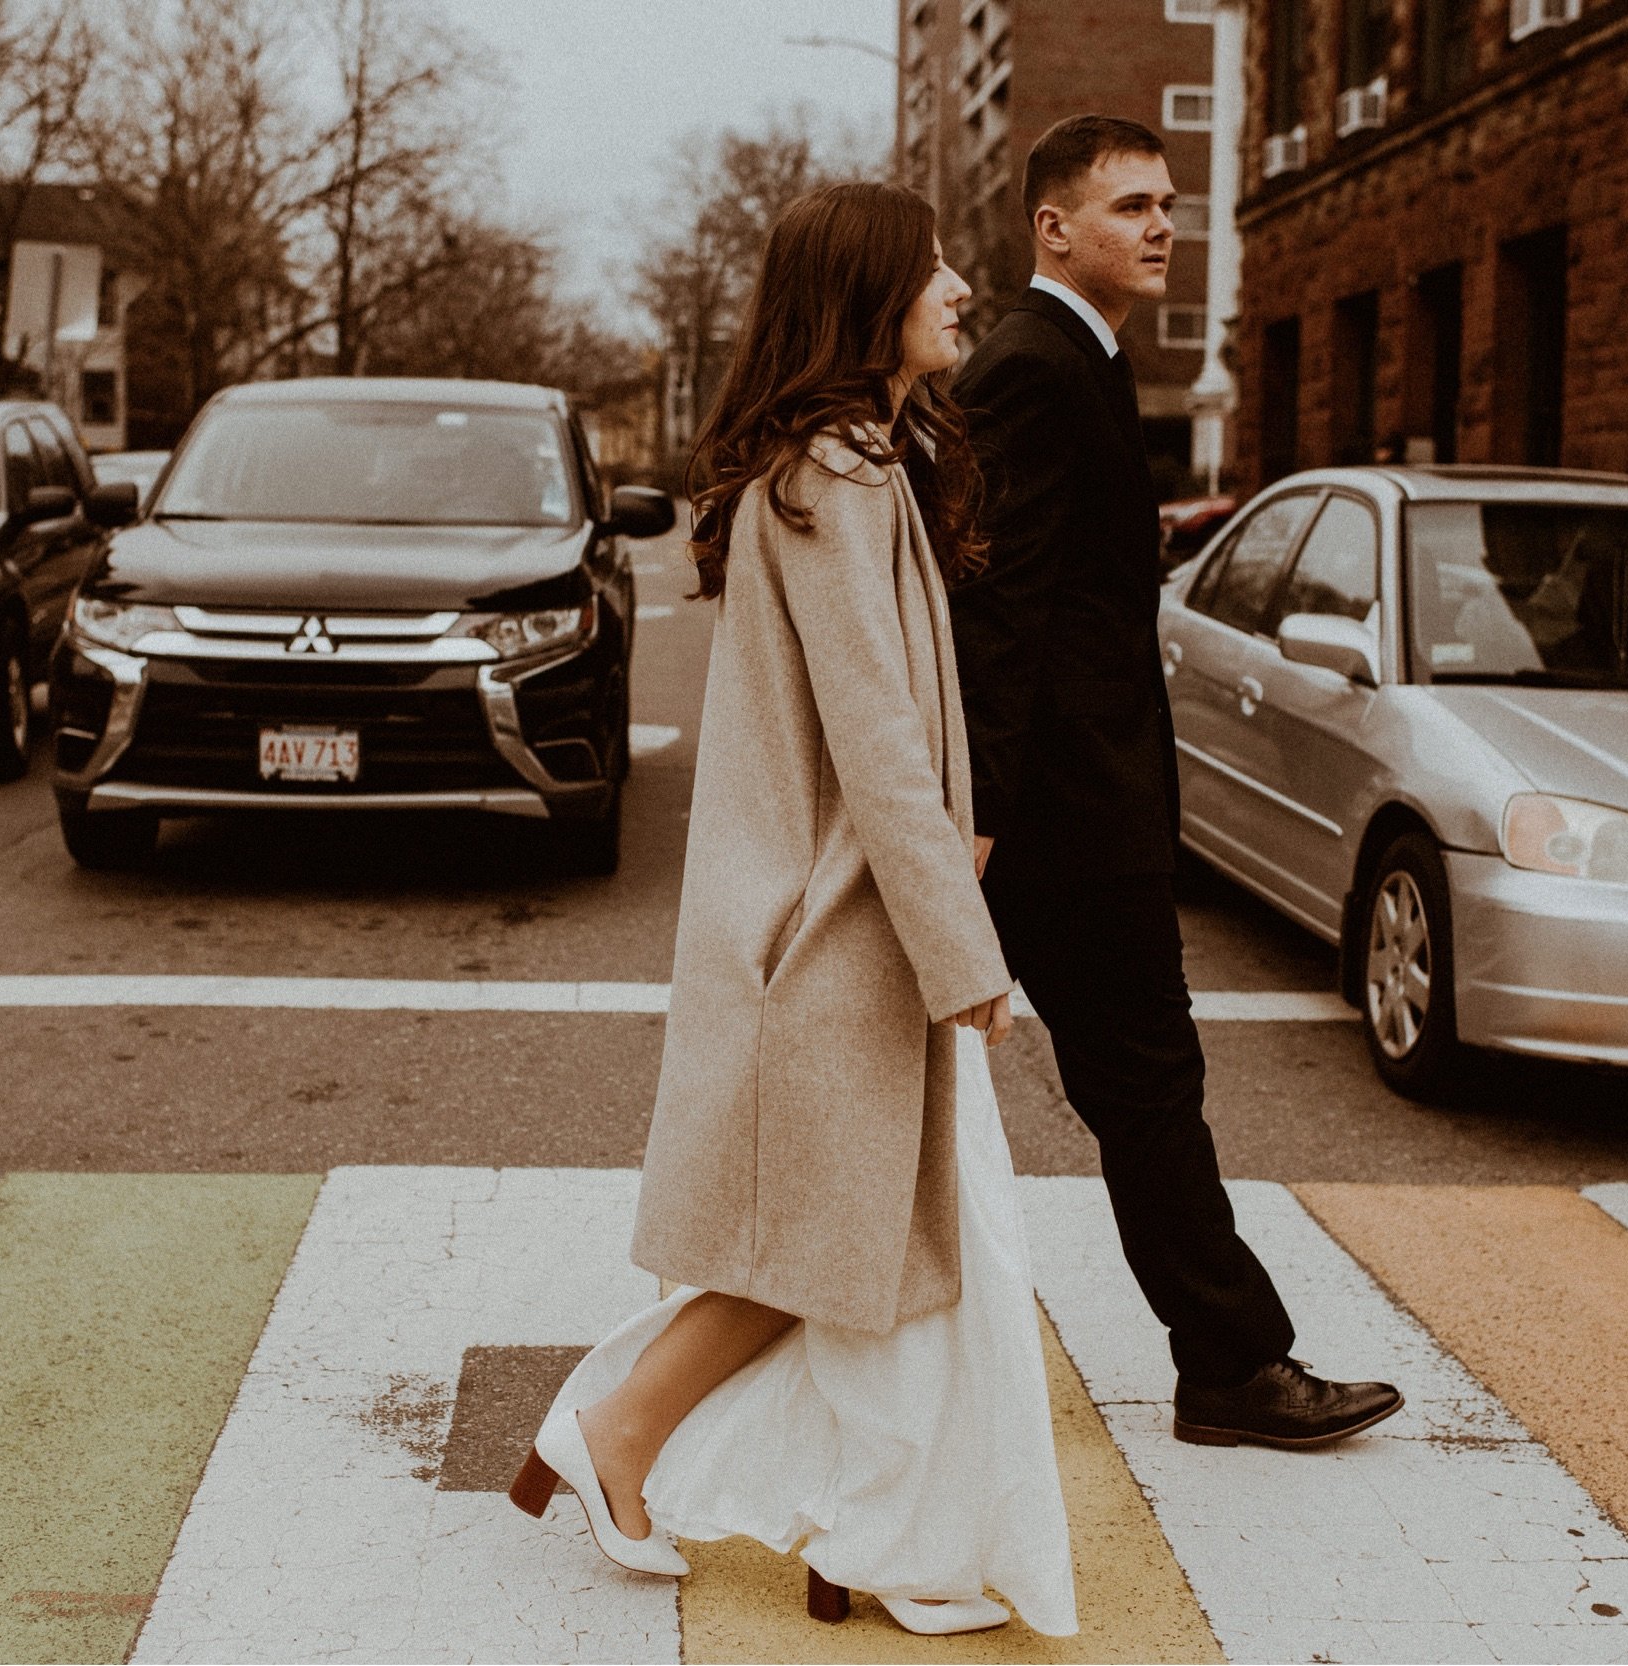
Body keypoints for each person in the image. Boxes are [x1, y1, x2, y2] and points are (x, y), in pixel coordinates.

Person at [509, 181, 1077, 1640]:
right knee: (827, 1251)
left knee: (856, 1252)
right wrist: (967, 952)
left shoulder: (850, 464)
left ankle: (841, 1519)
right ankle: (622, 1437)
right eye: (933, 264)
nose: (961, 284)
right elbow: (880, 745)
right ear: (867, 294)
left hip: (835, 928)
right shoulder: (833, 477)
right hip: (825, 936)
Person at [942, 114, 1404, 1448]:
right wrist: (980, 812)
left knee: (1143, 1088)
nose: (1162, 226)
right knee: (1148, 1087)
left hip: (1079, 811)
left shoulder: (1073, 360)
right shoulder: (1036, 365)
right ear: (1053, 228)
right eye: (1133, 205)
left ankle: (1229, 1358)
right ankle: (1233, 1362)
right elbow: (1002, 604)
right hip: (1067, 824)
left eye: (1168, 205)